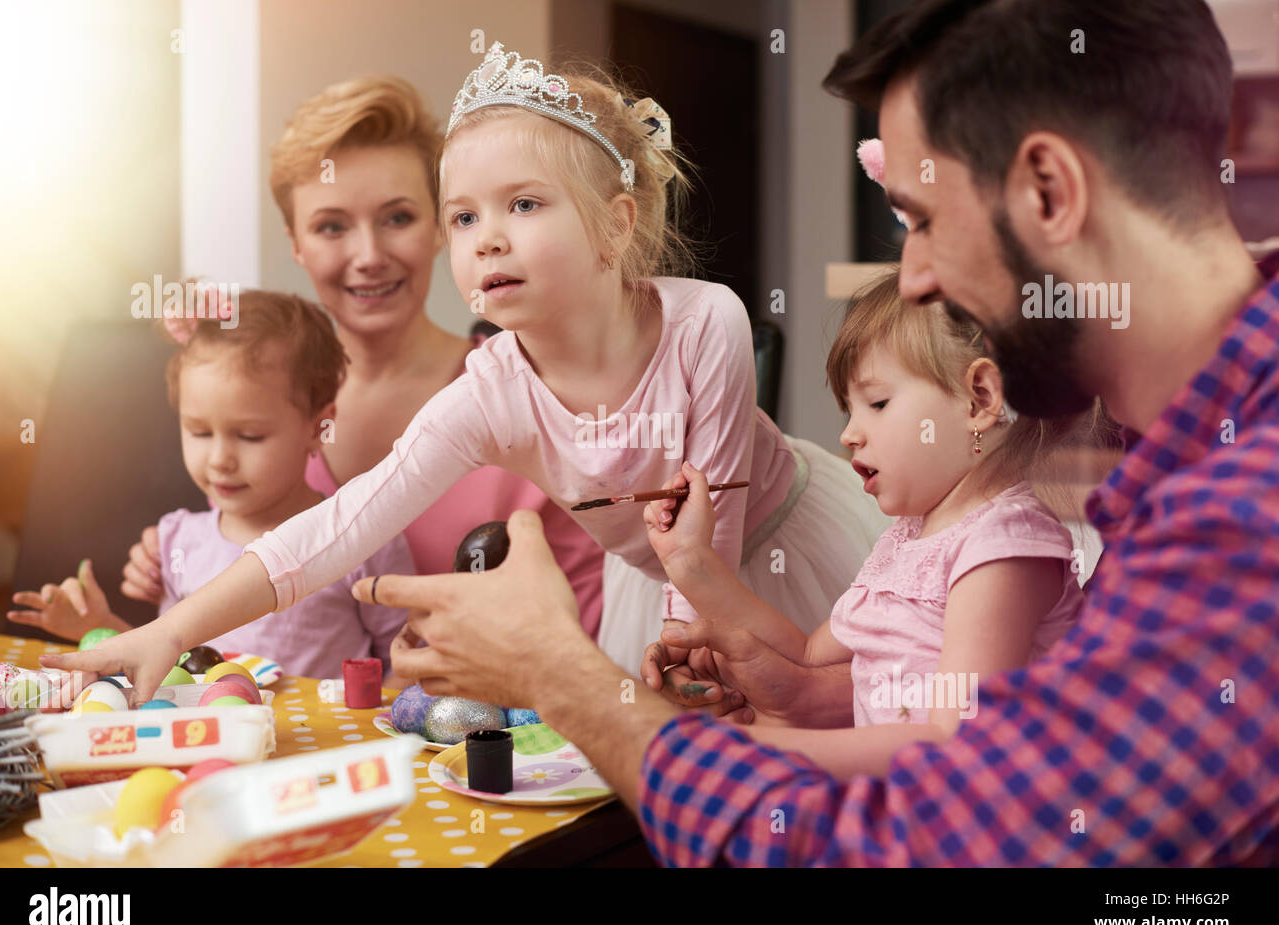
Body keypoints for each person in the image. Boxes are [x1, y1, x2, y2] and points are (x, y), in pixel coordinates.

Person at [315, 0, 1277, 867]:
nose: (915, 280)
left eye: (922, 221)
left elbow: (932, 842)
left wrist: (563, 675)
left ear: (1051, 192)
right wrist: (797, 693)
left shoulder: (1247, 506)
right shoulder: (1183, 457)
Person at [43, 42, 887, 694]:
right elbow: (336, 529)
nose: (486, 235)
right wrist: (168, 630)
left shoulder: (708, 322)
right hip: (664, 591)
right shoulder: (488, 395)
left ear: (615, 223)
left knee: (839, 730)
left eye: (523, 204)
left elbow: (715, 542)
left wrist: (686, 638)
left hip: (778, 556)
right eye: (465, 215)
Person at [117, 74, 606, 641]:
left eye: (398, 218)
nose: (369, 256)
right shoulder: (254, 407)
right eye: (331, 227)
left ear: (442, 226)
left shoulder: (527, 394)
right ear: (296, 242)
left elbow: (592, 636)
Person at [639, 269, 1089, 778]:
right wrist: (691, 562)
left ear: (979, 400)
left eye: (877, 403)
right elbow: (807, 653)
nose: (850, 433)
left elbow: (952, 741)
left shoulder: (1004, 549)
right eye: (848, 410)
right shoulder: (908, 539)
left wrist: (756, 753)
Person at [13, 287, 413, 682]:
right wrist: (97, 625)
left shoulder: (359, 539)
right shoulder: (177, 540)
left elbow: (406, 661)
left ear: (316, 426)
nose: (220, 459)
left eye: (250, 436)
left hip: (321, 742)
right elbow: (168, 663)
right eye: (199, 432)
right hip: (204, 738)